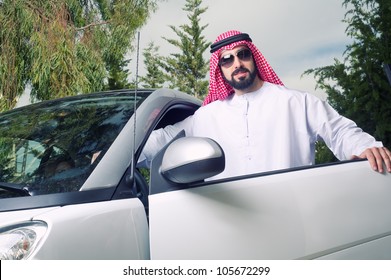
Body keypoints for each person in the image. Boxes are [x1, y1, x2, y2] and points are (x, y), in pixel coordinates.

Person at [139, 30, 391, 180]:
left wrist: (365, 147)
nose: (237, 63)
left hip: (295, 213)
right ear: (219, 68)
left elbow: (339, 130)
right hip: (228, 222)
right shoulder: (205, 117)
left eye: (243, 54)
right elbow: (160, 142)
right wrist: (107, 154)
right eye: (227, 59)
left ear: (253, 57)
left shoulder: (295, 102)